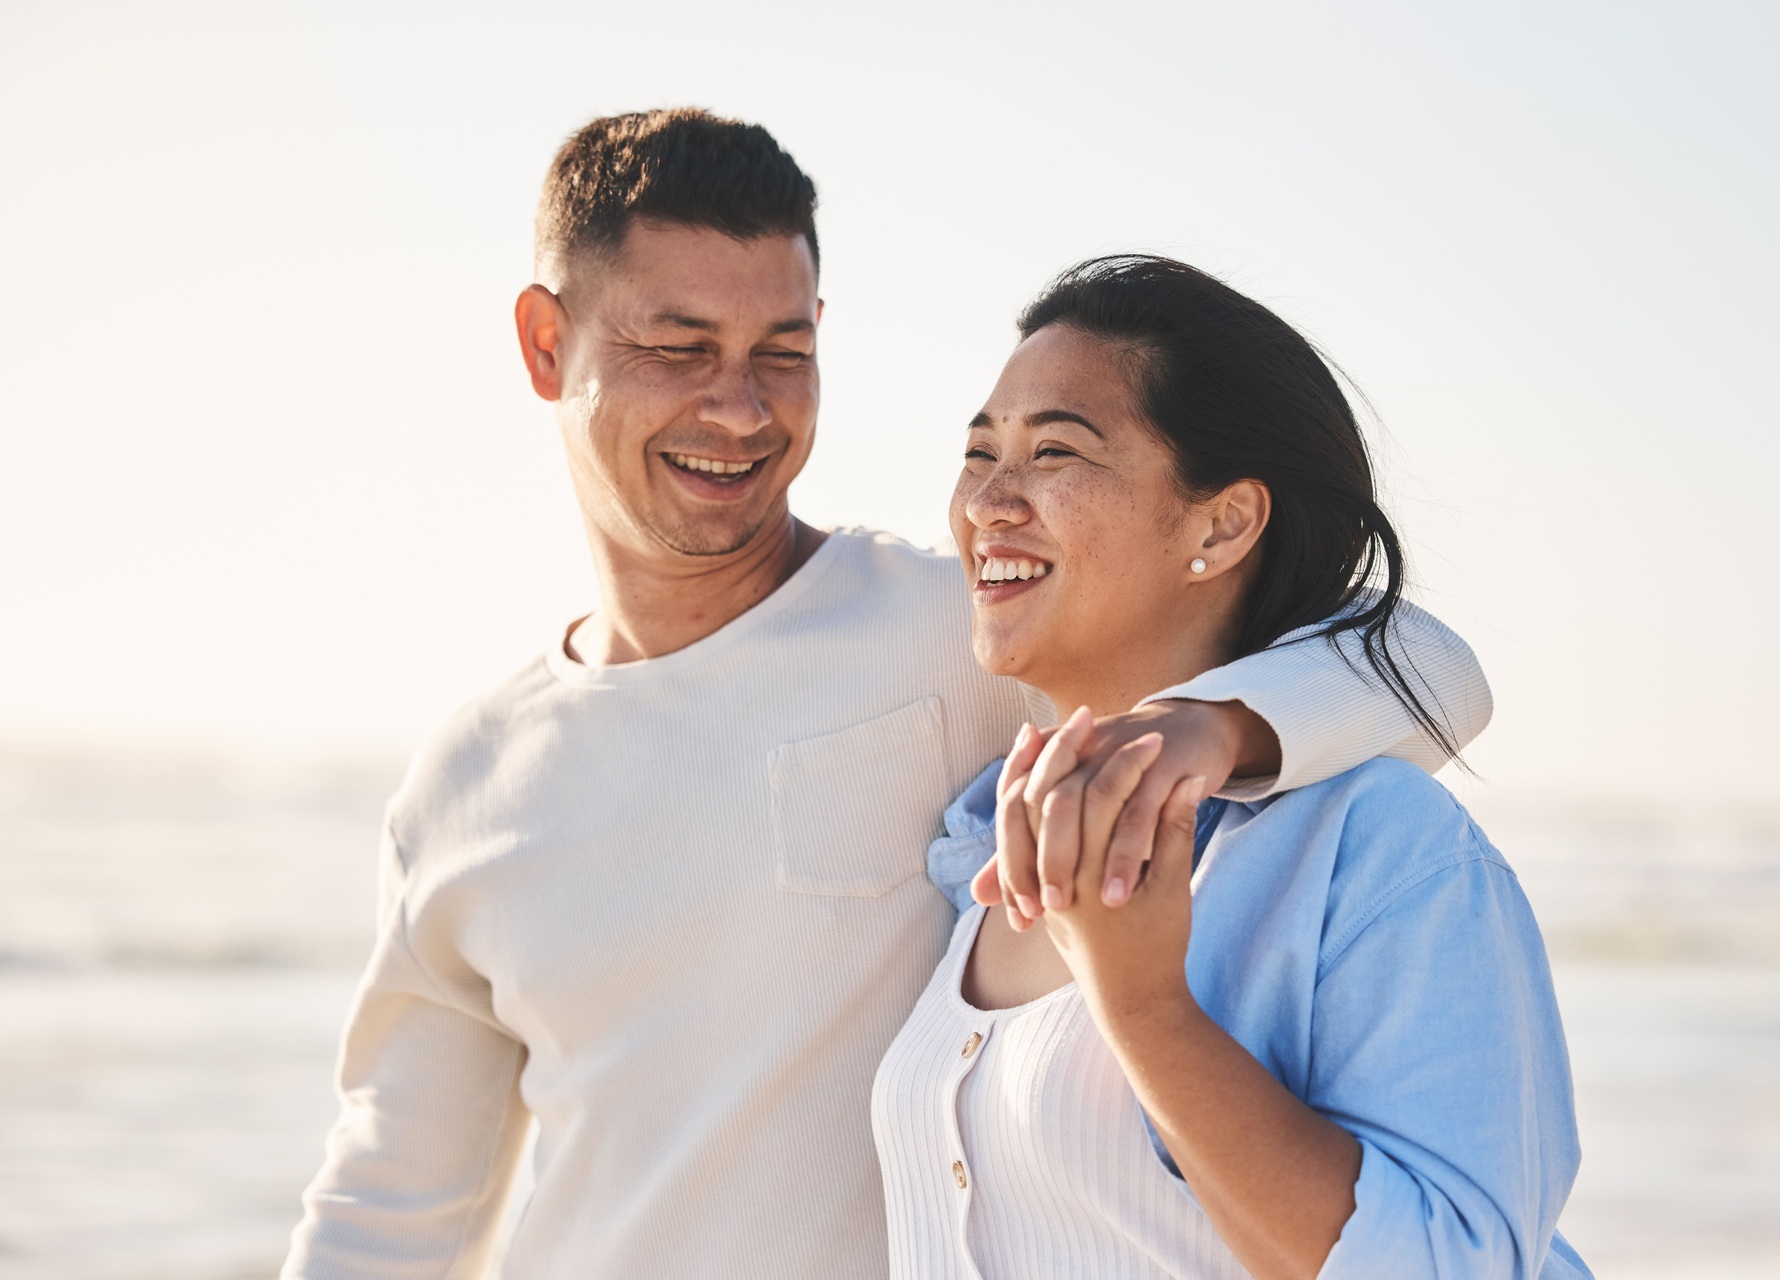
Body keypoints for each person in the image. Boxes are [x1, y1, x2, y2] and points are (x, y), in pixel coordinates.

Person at [282, 111, 1494, 1280]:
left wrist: (1210, 722)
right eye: (680, 347)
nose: (740, 406)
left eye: (783, 351)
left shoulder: (963, 633)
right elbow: (388, 1210)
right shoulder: (465, 783)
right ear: (548, 344)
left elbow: (1431, 672)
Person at [873, 256, 1589, 1280]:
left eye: (1053, 451)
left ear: (1223, 522)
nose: (987, 500)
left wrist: (1147, 1009)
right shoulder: (981, 847)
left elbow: (1450, 1263)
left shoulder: (1376, 845)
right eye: (980, 451)